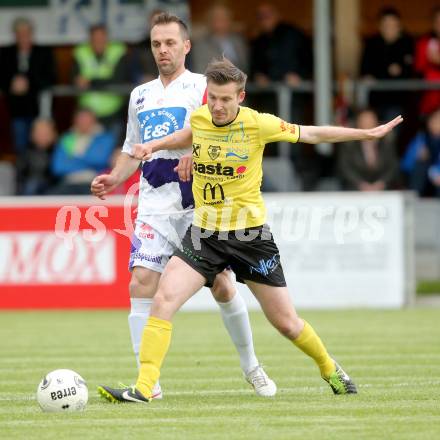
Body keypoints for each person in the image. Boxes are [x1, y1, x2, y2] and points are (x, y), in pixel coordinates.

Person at [97, 57, 402, 403]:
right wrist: (154, 146)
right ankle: (144, 387)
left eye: (226, 99)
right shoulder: (201, 117)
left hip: (250, 239)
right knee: (163, 300)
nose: (217, 105)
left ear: (240, 97)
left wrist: (367, 133)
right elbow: (189, 132)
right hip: (204, 235)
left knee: (287, 323)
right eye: (212, 97)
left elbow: (312, 133)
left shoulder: (259, 124)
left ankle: (330, 368)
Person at [91, 13, 276, 399]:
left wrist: (196, 151)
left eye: (170, 43)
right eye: (157, 43)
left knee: (224, 287)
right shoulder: (139, 95)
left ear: (186, 46)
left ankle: (252, 366)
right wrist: (115, 176)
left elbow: (228, 131)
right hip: (154, 204)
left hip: (199, 206)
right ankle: (148, 384)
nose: (163, 50)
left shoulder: (202, 89)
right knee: (140, 282)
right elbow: (132, 149)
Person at [0, 17, 55, 155]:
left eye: (26, 33)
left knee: (42, 145)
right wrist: (11, 85)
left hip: (39, 109)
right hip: (16, 110)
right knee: (20, 146)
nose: (23, 37)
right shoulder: (5, 53)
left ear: (31, 34)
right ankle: (22, 175)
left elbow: (51, 78)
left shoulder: (43, 52)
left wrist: (28, 84)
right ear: (15, 35)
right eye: (20, 33)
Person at [72, 24, 129, 142]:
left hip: (113, 113)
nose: (98, 41)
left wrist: (91, 81)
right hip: (87, 114)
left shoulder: (118, 51)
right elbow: (74, 79)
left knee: (112, 152)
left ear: (107, 38)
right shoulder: (80, 52)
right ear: (90, 39)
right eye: (95, 38)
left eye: (101, 38)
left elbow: (119, 79)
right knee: (85, 152)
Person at [360, 7, 413, 121]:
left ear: (399, 26)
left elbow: (411, 71)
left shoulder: (407, 43)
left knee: (391, 132)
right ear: (380, 26)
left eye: (393, 25)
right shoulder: (372, 44)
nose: (389, 29)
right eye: (386, 25)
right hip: (375, 100)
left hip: (399, 101)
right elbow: (365, 71)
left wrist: (399, 71)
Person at [49, 108, 115, 195]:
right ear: (75, 121)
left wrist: (73, 158)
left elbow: (101, 161)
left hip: (93, 183)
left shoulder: (105, 138)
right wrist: (86, 160)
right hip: (68, 183)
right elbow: (58, 167)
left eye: (87, 119)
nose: (83, 122)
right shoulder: (66, 138)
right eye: (81, 119)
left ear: (94, 121)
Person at [338, 109, 399, 191]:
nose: (368, 123)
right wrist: (360, 184)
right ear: (358, 123)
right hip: (354, 190)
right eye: (364, 120)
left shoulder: (386, 143)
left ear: (377, 122)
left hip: (384, 190)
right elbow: (345, 168)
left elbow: (393, 167)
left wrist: (382, 183)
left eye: (371, 120)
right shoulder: (349, 145)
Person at [192, 4, 248, 74]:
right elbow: (201, 71)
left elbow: (246, 67)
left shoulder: (238, 41)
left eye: (225, 18)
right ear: (210, 21)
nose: (223, 22)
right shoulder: (201, 45)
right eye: (218, 19)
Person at [401, 108, 440, 196]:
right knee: (420, 166)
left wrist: (435, 173)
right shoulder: (420, 139)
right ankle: (414, 203)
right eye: (435, 119)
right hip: (422, 183)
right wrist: (417, 157)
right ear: (429, 122)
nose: (438, 123)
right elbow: (405, 166)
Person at [17, 118, 57, 195]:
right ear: (32, 135)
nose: (42, 136)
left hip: (52, 187)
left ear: (53, 134)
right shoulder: (26, 152)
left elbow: (57, 174)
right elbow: (20, 175)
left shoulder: (57, 152)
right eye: (39, 133)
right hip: (29, 188)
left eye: (46, 133)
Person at [414, 7, 440, 115]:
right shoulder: (424, 43)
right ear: (433, 24)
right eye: (438, 22)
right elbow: (418, 68)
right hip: (429, 100)